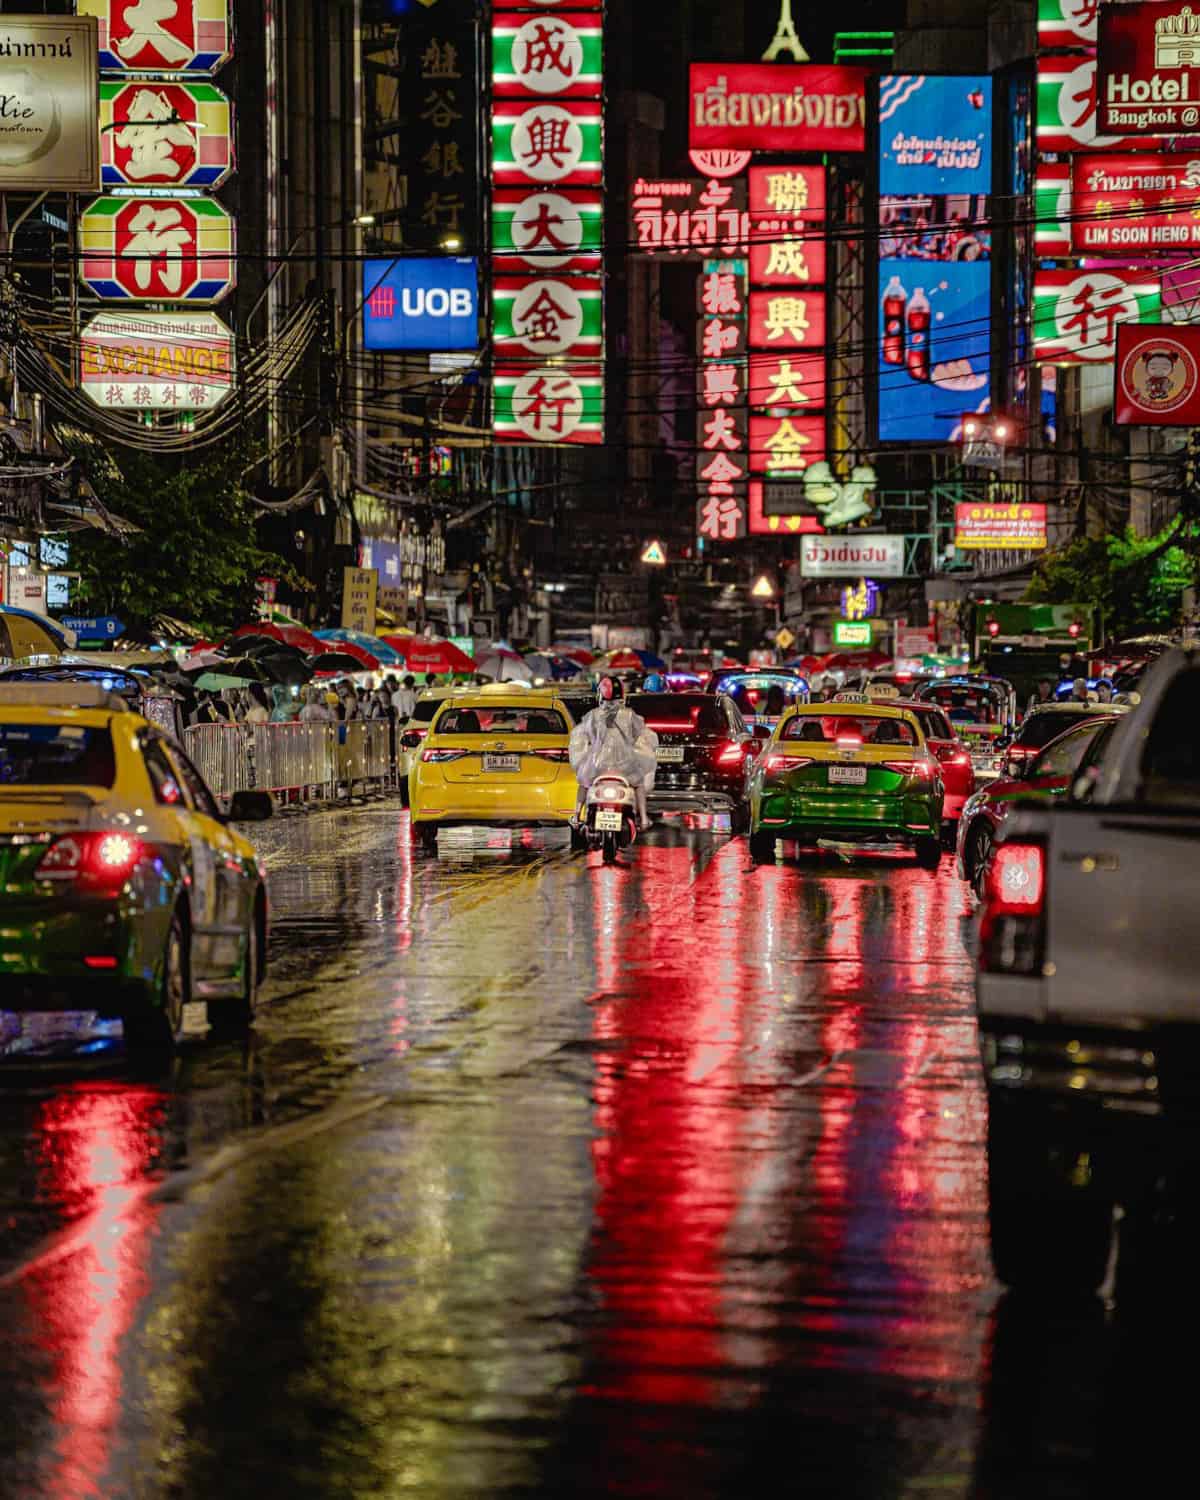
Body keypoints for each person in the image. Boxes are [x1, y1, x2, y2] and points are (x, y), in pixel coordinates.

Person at [569, 676, 657, 831]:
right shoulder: (630, 715)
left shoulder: (592, 715)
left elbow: (585, 734)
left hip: (597, 765)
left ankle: (576, 815)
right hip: (626, 765)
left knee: (583, 782)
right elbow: (639, 734)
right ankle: (643, 818)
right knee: (639, 783)